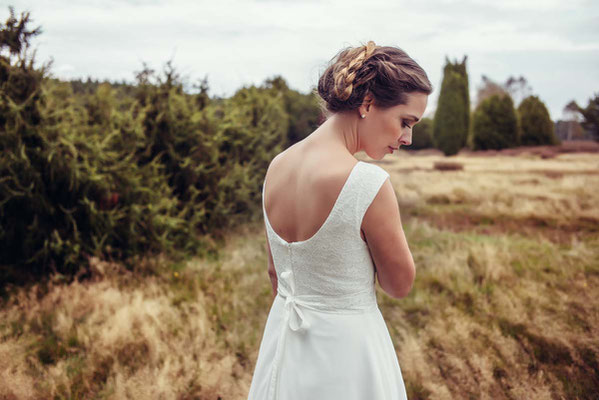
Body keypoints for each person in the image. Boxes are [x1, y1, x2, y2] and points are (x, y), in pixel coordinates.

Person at [247, 40, 433, 400]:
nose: (408, 138)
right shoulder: (367, 184)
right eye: (405, 122)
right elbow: (399, 284)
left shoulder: (278, 166)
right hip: (347, 357)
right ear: (367, 104)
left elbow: (276, 274)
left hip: (283, 347)